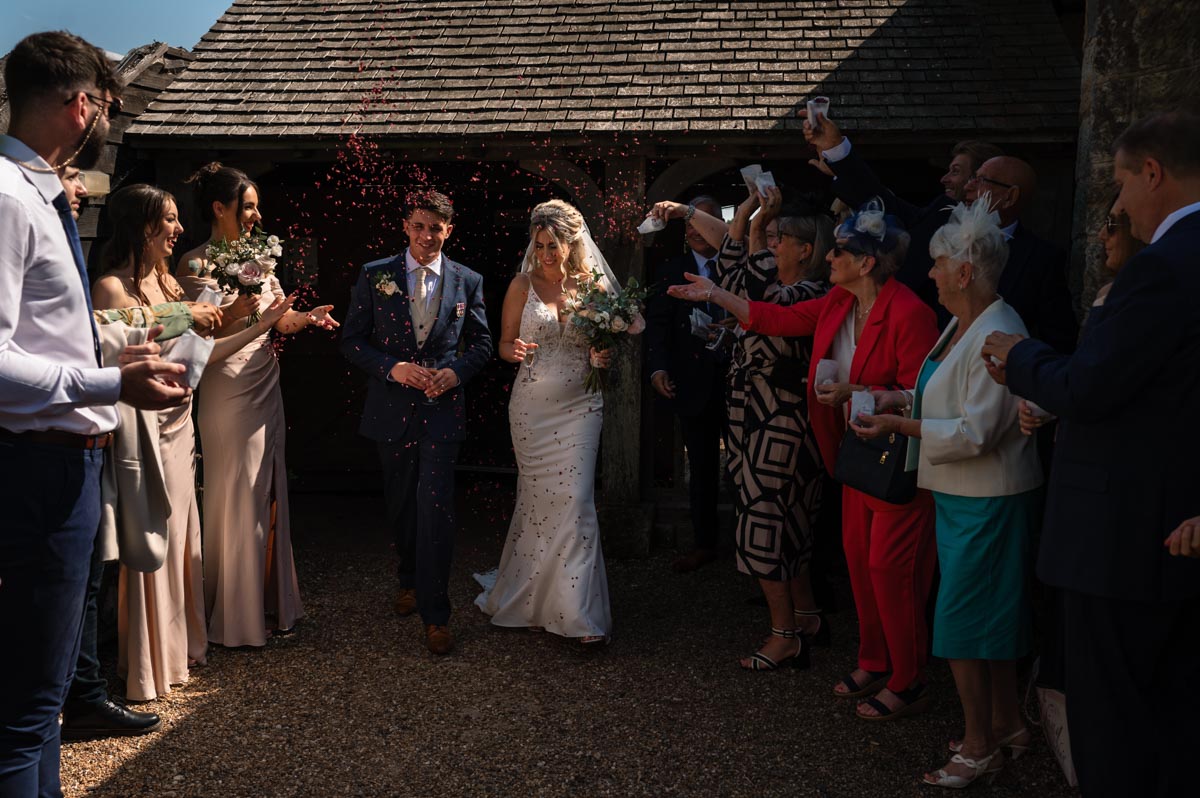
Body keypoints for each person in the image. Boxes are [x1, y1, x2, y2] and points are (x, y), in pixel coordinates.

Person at [982, 111, 1200, 797]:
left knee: (1114, 725)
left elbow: (1093, 384)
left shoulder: (1164, 268)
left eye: (1121, 184)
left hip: (1125, 535)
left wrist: (1022, 359)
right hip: (1171, 520)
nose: (1120, 204)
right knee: (1172, 718)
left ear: (1153, 173)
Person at [0, 31, 190, 797]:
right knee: (24, 711)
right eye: (106, 106)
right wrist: (110, 386)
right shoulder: (11, 200)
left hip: (63, 462)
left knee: (39, 709)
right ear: (83, 106)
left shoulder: (36, 192)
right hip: (37, 465)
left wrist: (114, 358)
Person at [671, 201, 940, 715]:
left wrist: (856, 391)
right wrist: (715, 293)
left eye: (841, 250)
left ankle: (908, 676)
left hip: (896, 456)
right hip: (854, 450)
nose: (829, 255)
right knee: (860, 563)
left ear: (867, 263)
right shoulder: (840, 301)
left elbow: (921, 393)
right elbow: (776, 317)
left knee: (893, 570)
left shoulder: (910, 312)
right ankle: (873, 658)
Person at [851, 199, 1042, 787]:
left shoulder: (999, 329)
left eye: (936, 264)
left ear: (964, 272)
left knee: (964, 623)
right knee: (987, 619)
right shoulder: (966, 322)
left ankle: (980, 744)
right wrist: (900, 400)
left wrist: (899, 427)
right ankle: (1007, 726)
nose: (927, 274)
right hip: (965, 495)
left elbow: (977, 432)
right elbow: (946, 399)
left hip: (986, 495)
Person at [92, 184, 293, 700]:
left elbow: (196, 358)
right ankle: (144, 667)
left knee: (183, 534)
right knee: (151, 537)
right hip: (144, 429)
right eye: (171, 220)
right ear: (142, 227)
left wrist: (261, 324)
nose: (179, 229)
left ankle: (179, 651)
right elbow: (105, 346)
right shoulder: (111, 290)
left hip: (181, 426)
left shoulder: (165, 282)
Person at [669, 187, 834, 669]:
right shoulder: (773, 281)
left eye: (781, 239)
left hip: (781, 422)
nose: (773, 246)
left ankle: (784, 634)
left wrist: (748, 227)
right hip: (754, 415)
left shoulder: (809, 291)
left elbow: (745, 288)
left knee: (768, 524)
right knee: (785, 524)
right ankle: (806, 616)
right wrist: (745, 216)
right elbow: (738, 267)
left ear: (806, 250)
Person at [176, 162, 339, 648]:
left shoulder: (255, 261)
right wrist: (238, 316)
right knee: (235, 492)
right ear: (218, 208)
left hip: (265, 379)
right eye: (247, 206)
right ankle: (232, 616)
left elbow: (278, 322)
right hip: (226, 384)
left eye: (255, 206)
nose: (255, 214)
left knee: (267, 488)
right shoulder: (194, 263)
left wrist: (306, 318)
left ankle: (268, 603)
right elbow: (199, 334)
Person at [341, 189, 492, 655]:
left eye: (436, 227)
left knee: (436, 510)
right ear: (406, 226)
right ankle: (408, 577)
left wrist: (455, 373)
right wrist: (393, 368)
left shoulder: (468, 279)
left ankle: (437, 613)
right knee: (403, 506)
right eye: (419, 226)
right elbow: (352, 341)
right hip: (391, 412)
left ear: (450, 230)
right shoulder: (376, 275)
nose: (427, 235)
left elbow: (483, 345)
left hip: (442, 415)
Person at [477, 199, 617, 643]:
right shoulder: (522, 284)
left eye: (553, 245)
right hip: (531, 409)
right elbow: (502, 343)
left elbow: (605, 346)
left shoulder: (592, 286)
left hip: (581, 405)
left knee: (576, 502)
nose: (545, 254)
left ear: (572, 244)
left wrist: (602, 355)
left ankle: (577, 614)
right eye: (539, 245)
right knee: (539, 506)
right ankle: (535, 597)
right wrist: (512, 351)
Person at [802, 108, 1002, 320]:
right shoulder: (941, 212)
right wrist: (837, 151)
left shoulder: (1032, 256)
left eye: (956, 171)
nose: (944, 179)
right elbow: (885, 203)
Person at [644, 195, 729, 572]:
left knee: (748, 467)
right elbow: (658, 326)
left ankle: (754, 550)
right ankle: (704, 542)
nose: (693, 230)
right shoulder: (671, 269)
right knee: (702, 464)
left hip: (741, 379)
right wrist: (658, 369)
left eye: (702, 222)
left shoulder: (736, 264)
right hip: (693, 380)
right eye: (689, 224)